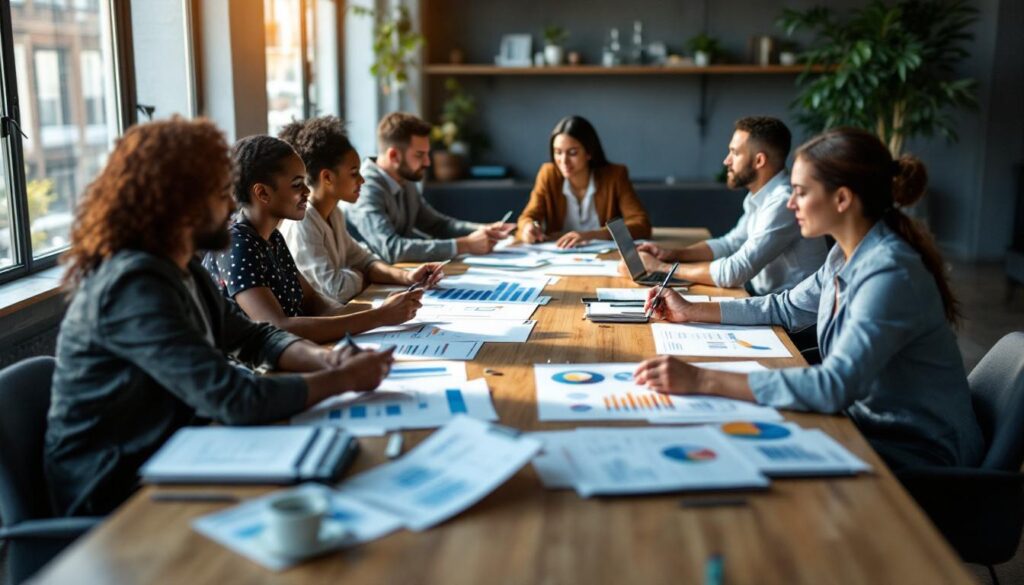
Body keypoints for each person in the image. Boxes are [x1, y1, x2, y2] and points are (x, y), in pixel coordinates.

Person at [46, 118, 395, 516]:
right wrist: (344, 379)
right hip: (115, 491)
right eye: (218, 194)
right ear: (179, 204)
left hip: (176, 453)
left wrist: (325, 360)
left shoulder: (182, 267)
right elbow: (232, 397)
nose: (230, 205)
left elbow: (254, 336)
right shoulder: (133, 286)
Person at [634, 127, 984, 471]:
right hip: (867, 428)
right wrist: (691, 309)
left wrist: (702, 380)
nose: (790, 203)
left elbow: (834, 386)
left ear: (842, 199)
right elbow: (785, 307)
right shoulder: (843, 256)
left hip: (917, 454)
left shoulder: (889, 273)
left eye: (800, 192)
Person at [203, 135, 424, 344]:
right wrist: (380, 316)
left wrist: (383, 309)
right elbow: (277, 329)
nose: (307, 191)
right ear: (262, 193)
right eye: (297, 184)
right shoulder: (236, 244)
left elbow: (316, 304)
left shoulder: (273, 238)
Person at [623, 117, 827, 294]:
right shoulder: (760, 197)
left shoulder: (783, 202)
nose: (726, 161)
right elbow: (730, 244)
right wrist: (671, 254)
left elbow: (734, 271)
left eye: (735, 153)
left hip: (789, 316)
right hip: (765, 299)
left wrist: (661, 267)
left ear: (759, 160)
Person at [278, 116, 446, 303]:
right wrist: (364, 275)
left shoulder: (334, 213)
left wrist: (407, 277)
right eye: (354, 173)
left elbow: (365, 260)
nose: (362, 180)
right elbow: (337, 290)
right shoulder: (304, 221)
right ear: (327, 178)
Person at [343, 112, 513, 263]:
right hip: (363, 283)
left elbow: (438, 225)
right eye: (420, 155)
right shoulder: (364, 188)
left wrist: (481, 230)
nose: (427, 162)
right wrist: (465, 245)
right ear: (394, 156)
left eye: (427, 154)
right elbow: (392, 249)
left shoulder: (404, 178)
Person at [517, 115, 651, 249]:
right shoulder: (548, 174)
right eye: (558, 152)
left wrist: (592, 235)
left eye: (572, 153)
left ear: (589, 152)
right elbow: (528, 216)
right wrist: (528, 227)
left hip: (605, 256)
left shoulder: (615, 176)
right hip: (558, 255)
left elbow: (641, 224)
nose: (563, 161)